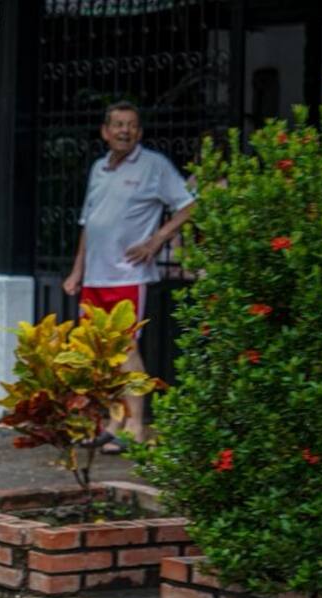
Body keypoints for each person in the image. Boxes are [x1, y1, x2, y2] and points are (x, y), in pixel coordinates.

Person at [62, 101, 195, 450]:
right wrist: (77, 270)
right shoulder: (98, 168)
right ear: (105, 132)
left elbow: (189, 204)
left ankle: (136, 425)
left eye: (131, 125)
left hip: (127, 276)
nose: (124, 131)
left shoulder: (154, 166)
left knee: (125, 349)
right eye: (118, 125)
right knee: (100, 354)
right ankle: (113, 422)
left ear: (140, 131)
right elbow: (88, 224)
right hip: (95, 277)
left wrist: (157, 240)